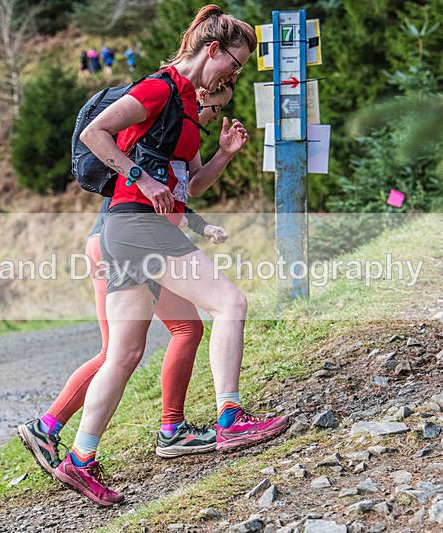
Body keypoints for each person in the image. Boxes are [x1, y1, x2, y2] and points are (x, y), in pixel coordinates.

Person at [57, 5, 289, 507]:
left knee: (125, 353)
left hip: (131, 230)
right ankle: (229, 417)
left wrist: (223, 154)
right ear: (212, 50)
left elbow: (190, 188)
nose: (236, 72)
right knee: (230, 303)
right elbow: (93, 133)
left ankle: (78, 459)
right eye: (237, 62)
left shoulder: (187, 110)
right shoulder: (159, 89)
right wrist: (139, 177)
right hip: (136, 224)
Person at [17, 84, 236, 476]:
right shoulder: (165, 123)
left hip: (115, 241)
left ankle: (50, 427)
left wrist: (206, 209)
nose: (214, 117)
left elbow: (182, 195)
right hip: (121, 241)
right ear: (200, 95)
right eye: (215, 107)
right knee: (170, 334)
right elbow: (153, 193)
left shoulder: (182, 140)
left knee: (126, 348)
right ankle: (170, 430)